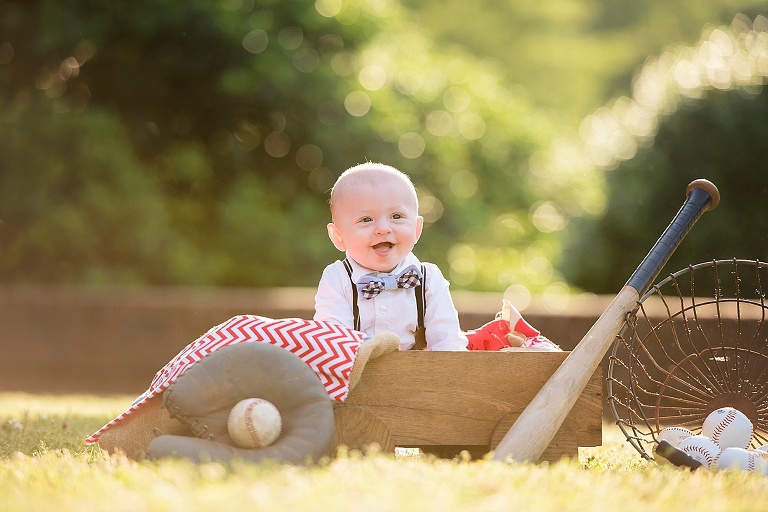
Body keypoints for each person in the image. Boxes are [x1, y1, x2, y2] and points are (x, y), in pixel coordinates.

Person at [314, 162, 468, 351]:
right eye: (366, 219)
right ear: (339, 237)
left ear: (417, 229)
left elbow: (448, 344)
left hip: (420, 377)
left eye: (396, 216)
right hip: (359, 377)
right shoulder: (337, 278)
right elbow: (333, 345)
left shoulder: (429, 279)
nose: (383, 229)